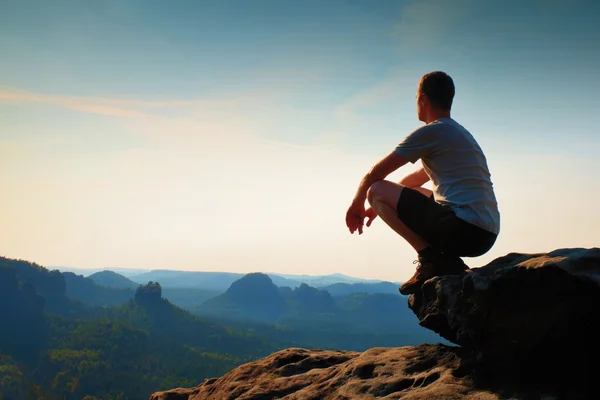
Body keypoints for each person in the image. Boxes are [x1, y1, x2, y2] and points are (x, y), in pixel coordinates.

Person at [345, 71, 500, 295]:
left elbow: (376, 173)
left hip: (463, 230)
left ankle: (431, 259)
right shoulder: (457, 133)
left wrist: (359, 202)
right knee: (405, 190)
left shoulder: (432, 132)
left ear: (423, 99)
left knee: (375, 189)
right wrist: (377, 208)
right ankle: (441, 259)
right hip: (485, 234)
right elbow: (415, 180)